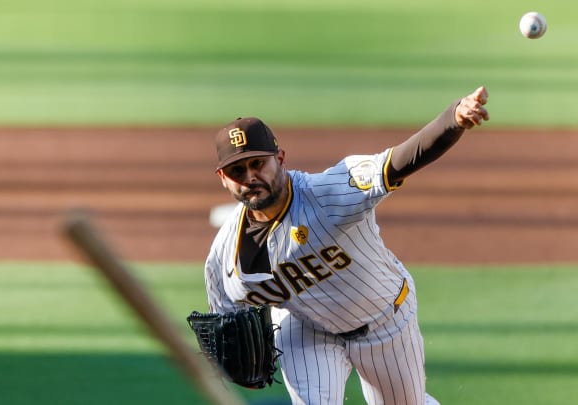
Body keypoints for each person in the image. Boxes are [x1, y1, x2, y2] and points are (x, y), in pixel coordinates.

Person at [203, 86, 489, 405]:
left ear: (279, 159)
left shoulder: (328, 194)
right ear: (222, 178)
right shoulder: (222, 258)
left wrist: (454, 118)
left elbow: (399, 162)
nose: (250, 176)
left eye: (258, 164)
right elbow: (226, 323)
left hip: (385, 319)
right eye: (237, 171)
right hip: (306, 329)